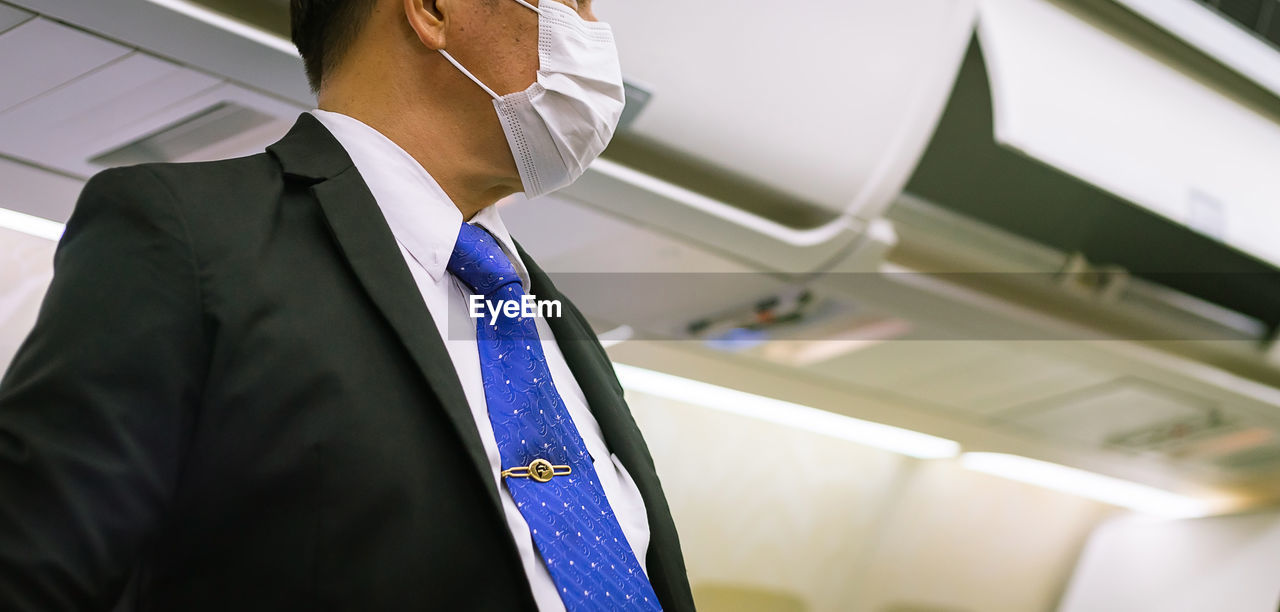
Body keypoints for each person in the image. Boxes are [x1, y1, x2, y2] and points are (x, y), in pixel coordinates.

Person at [0, 0, 694, 609]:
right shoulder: (182, 233)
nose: (592, 30)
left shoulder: (550, 313)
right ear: (433, 8)